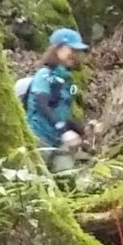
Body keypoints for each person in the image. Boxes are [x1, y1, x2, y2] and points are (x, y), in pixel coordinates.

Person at [19, 27, 87, 174]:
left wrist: (83, 130)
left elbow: (61, 114)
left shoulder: (66, 80)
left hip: (57, 141)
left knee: (67, 177)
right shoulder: (44, 74)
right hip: (38, 138)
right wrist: (63, 131)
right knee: (37, 179)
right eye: (72, 49)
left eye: (77, 51)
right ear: (58, 49)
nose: (75, 55)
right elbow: (42, 104)